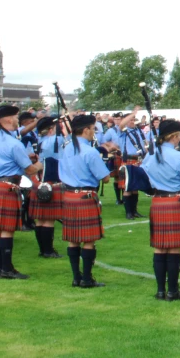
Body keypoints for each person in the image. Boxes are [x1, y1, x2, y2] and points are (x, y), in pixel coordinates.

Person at [59, 115, 118, 287]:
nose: (94, 132)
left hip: (69, 196)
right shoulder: (90, 152)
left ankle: (76, 277)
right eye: (93, 129)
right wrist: (105, 158)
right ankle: (86, 279)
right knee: (88, 240)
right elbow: (105, 178)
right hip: (85, 197)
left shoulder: (66, 148)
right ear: (85, 130)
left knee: (73, 239)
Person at [141, 119, 180, 301]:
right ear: (173, 136)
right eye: (179, 135)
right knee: (173, 249)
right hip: (175, 202)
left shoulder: (150, 156)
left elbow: (145, 179)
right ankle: (172, 291)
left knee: (159, 248)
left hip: (158, 202)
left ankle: (160, 290)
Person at [0, 105, 43, 279]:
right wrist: (41, 163)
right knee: (7, 229)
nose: (18, 120)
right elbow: (30, 170)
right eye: (16, 117)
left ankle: (0, 267)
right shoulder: (13, 143)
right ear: (9, 119)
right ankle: (7, 269)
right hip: (8, 187)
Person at [30, 116, 66, 258]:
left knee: (40, 219)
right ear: (51, 129)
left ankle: (42, 250)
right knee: (49, 220)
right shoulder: (56, 140)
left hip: (39, 182)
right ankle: (48, 251)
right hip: (51, 182)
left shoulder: (41, 141)